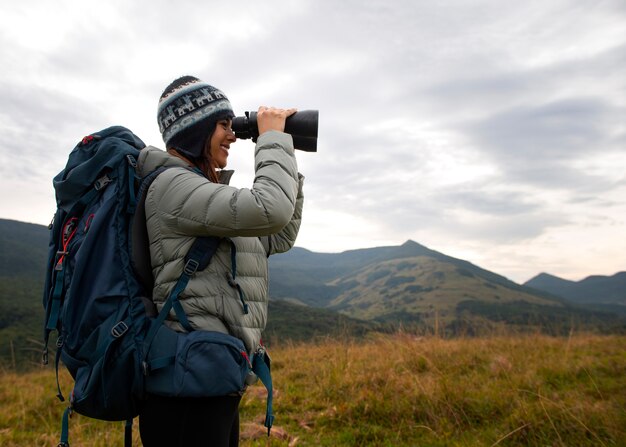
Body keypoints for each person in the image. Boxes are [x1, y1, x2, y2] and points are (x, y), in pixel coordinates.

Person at [137, 75, 304, 446]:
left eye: (233, 125)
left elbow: (277, 235)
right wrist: (273, 142)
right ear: (195, 129)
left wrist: (286, 156)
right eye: (224, 125)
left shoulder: (204, 192)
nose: (232, 135)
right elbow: (271, 209)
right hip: (186, 380)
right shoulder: (172, 187)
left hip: (214, 371)